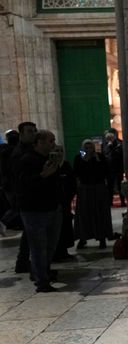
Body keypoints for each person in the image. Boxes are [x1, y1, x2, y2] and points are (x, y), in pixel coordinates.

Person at [16, 130, 61, 292]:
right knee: (38, 247)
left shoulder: (48, 159)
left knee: (50, 246)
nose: (53, 144)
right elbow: (23, 185)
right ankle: (42, 281)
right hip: (34, 210)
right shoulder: (27, 160)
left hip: (52, 207)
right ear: (39, 142)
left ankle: (41, 273)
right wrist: (43, 175)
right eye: (50, 141)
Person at [8, 122, 38, 273]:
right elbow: (20, 177)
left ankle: (23, 262)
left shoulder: (29, 149)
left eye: (34, 131)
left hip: (29, 197)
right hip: (26, 197)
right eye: (29, 131)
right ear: (21, 134)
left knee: (29, 232)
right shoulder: (19, 153)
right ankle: (26, 263)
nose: (33, 133)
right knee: (30, 232)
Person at [73, 139, 113, 250]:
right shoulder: (79, 157)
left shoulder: (99, 157)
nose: (89, 149)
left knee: (100, 213)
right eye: (86, 147)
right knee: (84, 214)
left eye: (90, 147)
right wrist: (85, 161)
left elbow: (105, 171)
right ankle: (83, 238)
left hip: (98, 188)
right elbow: (76, 172)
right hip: (85, 188)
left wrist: (96, 160)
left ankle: (102, 238)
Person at [52, 145, 76, 261]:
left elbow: (72, 182)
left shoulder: (66, 165)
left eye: (61, 151)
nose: (59, 153)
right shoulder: (50, 165)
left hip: (66, 202)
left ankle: (64, 250)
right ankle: (56, 252)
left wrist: (69, 196)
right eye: (57, 151)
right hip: (55, 202)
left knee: (65, 227)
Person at [103, 130, 125, 207]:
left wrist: (111, 146)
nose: (109, 140)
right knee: (110, 187)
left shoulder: (119, 144)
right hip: (109, 170)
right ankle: (110, 202)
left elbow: (118, 155)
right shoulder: (105, 145)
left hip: (118, 169)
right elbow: (104, 155)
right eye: (107, 138)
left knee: (120, 186)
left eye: (110, 138)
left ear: (114, 137)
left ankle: (123, 202)